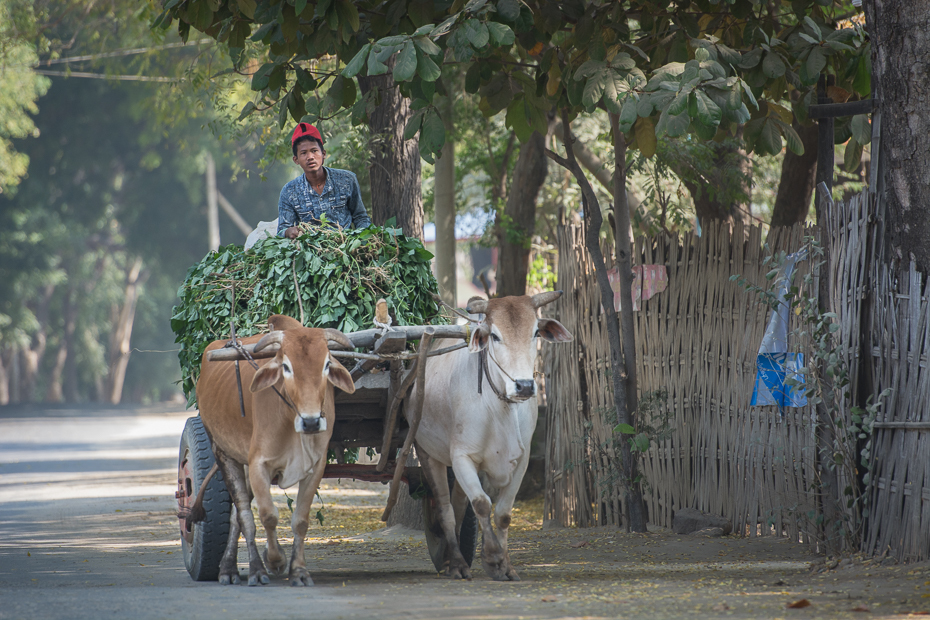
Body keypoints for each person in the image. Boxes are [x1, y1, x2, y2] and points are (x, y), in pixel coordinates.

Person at [277, 123, 371, 238]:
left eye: (314, 151)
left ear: (324, 154)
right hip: (310, 251)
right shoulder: (289, 191)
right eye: (303, 153)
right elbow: (282, 230)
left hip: (346, 246)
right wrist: (288, 232)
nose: (310, 157)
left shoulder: (347, 180)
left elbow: (360, 217)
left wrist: (363, 240)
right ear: (296, 160)